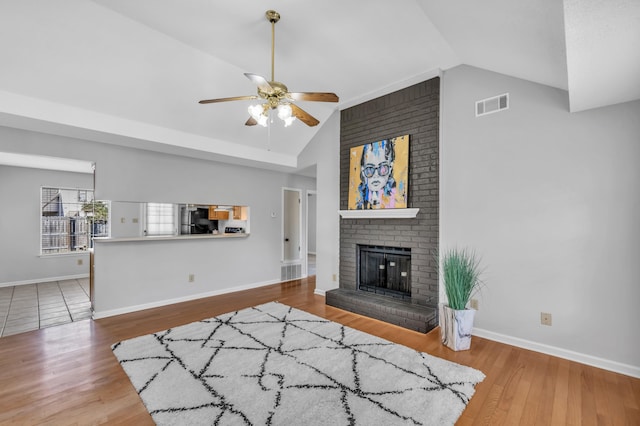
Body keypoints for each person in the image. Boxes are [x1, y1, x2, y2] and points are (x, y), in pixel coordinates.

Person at [356, 139, 403, 209]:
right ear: (363, 171)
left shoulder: (397, 200)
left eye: (382, 168)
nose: (376, 175)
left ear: (390, 168)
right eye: (369, 169)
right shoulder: (360, 204)